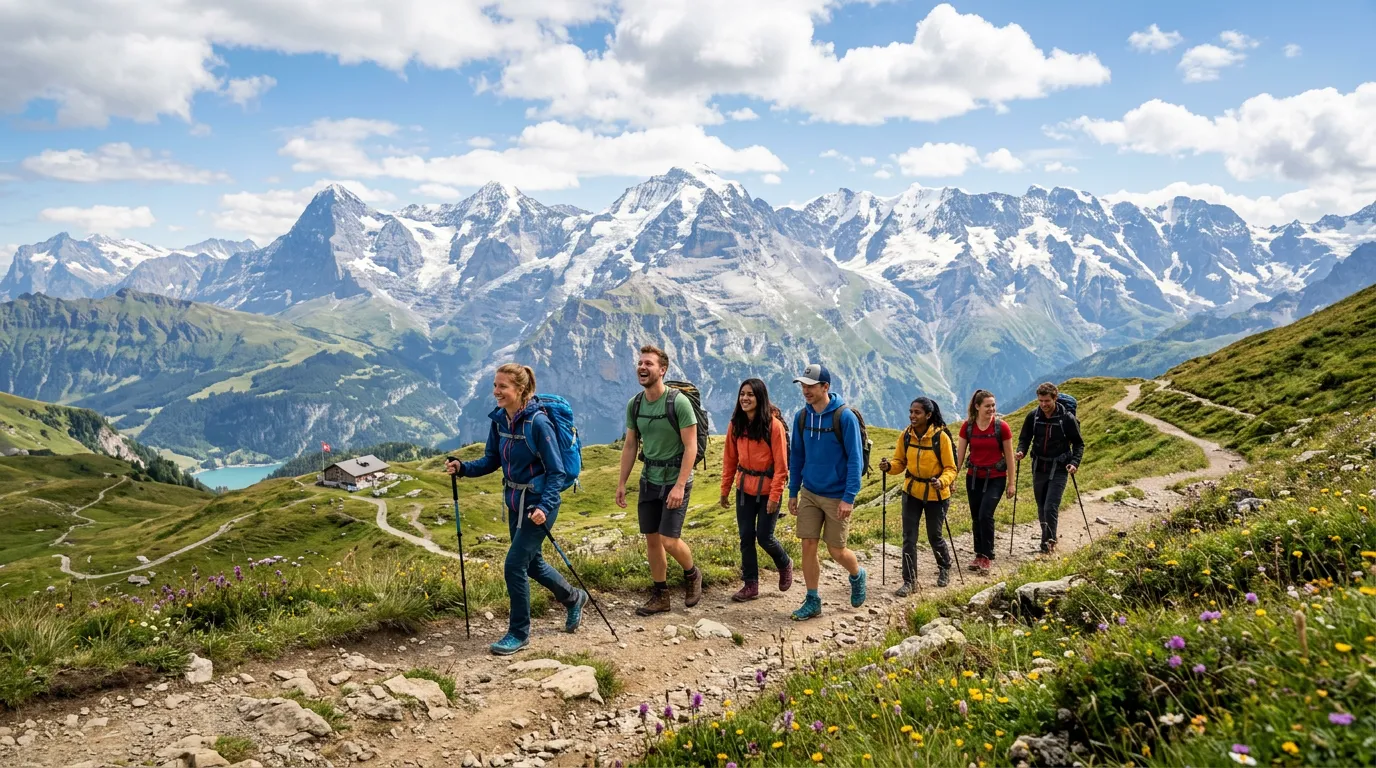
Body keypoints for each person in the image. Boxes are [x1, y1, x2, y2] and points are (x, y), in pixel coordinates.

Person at [445, 364, 588, 656]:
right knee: (531, 564)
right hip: (514, 502)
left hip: (538, 503)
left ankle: (518, 633)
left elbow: (557, 471)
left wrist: (545, 507)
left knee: (513, 566)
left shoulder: (538, 423)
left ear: (520, 390)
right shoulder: (499, 420)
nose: (496, 392)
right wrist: (462, 468)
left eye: (502, 387)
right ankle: (574, 598)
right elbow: (491, 460)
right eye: (495, 386)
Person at [615, 345, 702, 615]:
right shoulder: (635, 404)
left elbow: (692, 447)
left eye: (649, 364)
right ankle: (660, 595)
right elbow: (631, 445)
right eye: (640, 363)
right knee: (651, 539)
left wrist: (679, 486)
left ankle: (692, 574)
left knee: (669, 540)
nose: (642, 367)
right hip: (649, 478)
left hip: (676, 479)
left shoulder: (678, 402)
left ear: (662, 370)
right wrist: (621, 484)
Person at [787, 363, 867, 620]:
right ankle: (812, 600)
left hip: (836, 495)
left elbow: (856, 459)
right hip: (810, 491)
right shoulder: (801, 417)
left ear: (825, 387)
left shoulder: (844, 417)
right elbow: (797, 457)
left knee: (836, 550)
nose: (806, 390)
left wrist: (848, 497)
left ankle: (857, 574)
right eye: (803, 385)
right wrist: (792, 492)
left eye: (811, 386)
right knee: (808, 545)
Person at [719, 378, 793, 602]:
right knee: (746, 537)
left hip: (768, 489)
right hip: (744, 489)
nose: (745, 398)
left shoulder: (773, 426)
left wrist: (775, 495)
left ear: (760, 397)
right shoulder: (736, 424)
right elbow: (730, 460)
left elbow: (781, 466)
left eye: (750, 394)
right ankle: (750, 585)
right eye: (742, 394)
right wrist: (725, 489)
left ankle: (784, 562)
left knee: (764, 537)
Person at [879, 397, 956, 593]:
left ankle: (944, 566)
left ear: (928, 415)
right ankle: (909, 581)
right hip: (911, 491)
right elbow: (900, 462)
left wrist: (942, 481)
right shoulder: (906, 435)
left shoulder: (941, 437)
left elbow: (950, 468)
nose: (912, 416)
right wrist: (889, 467)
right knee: (909, 538)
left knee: (934, 535)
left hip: (936, 494)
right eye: (911, 411)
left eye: (917, 413)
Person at [1015, 382, 1085, 556]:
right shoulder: (1033, 416)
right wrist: (1021, 451)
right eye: (1040, 401)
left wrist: (1074, 462)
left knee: (1050, 507)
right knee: (1041, 506)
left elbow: (1078, 443)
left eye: (1047, 401)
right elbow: (1025, 437)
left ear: (1055, 398)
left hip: (1060, 467)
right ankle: (1046, 538)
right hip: (1039, 466)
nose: (1044, 405)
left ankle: (1049, 542)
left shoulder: (1066, 419)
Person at [956, 390, 1016, 573]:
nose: (992, 409)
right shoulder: (967, 427)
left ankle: (987, 555)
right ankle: (979, 554)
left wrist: (1011, 483)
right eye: (987, 406)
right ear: (977, 407)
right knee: (976, 517)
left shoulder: (1001, 427)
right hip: (973, 478)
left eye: (993, 405)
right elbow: (959, 457)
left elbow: (1010, 456)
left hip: (996, 478)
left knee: (985, 515)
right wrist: (951, 479)